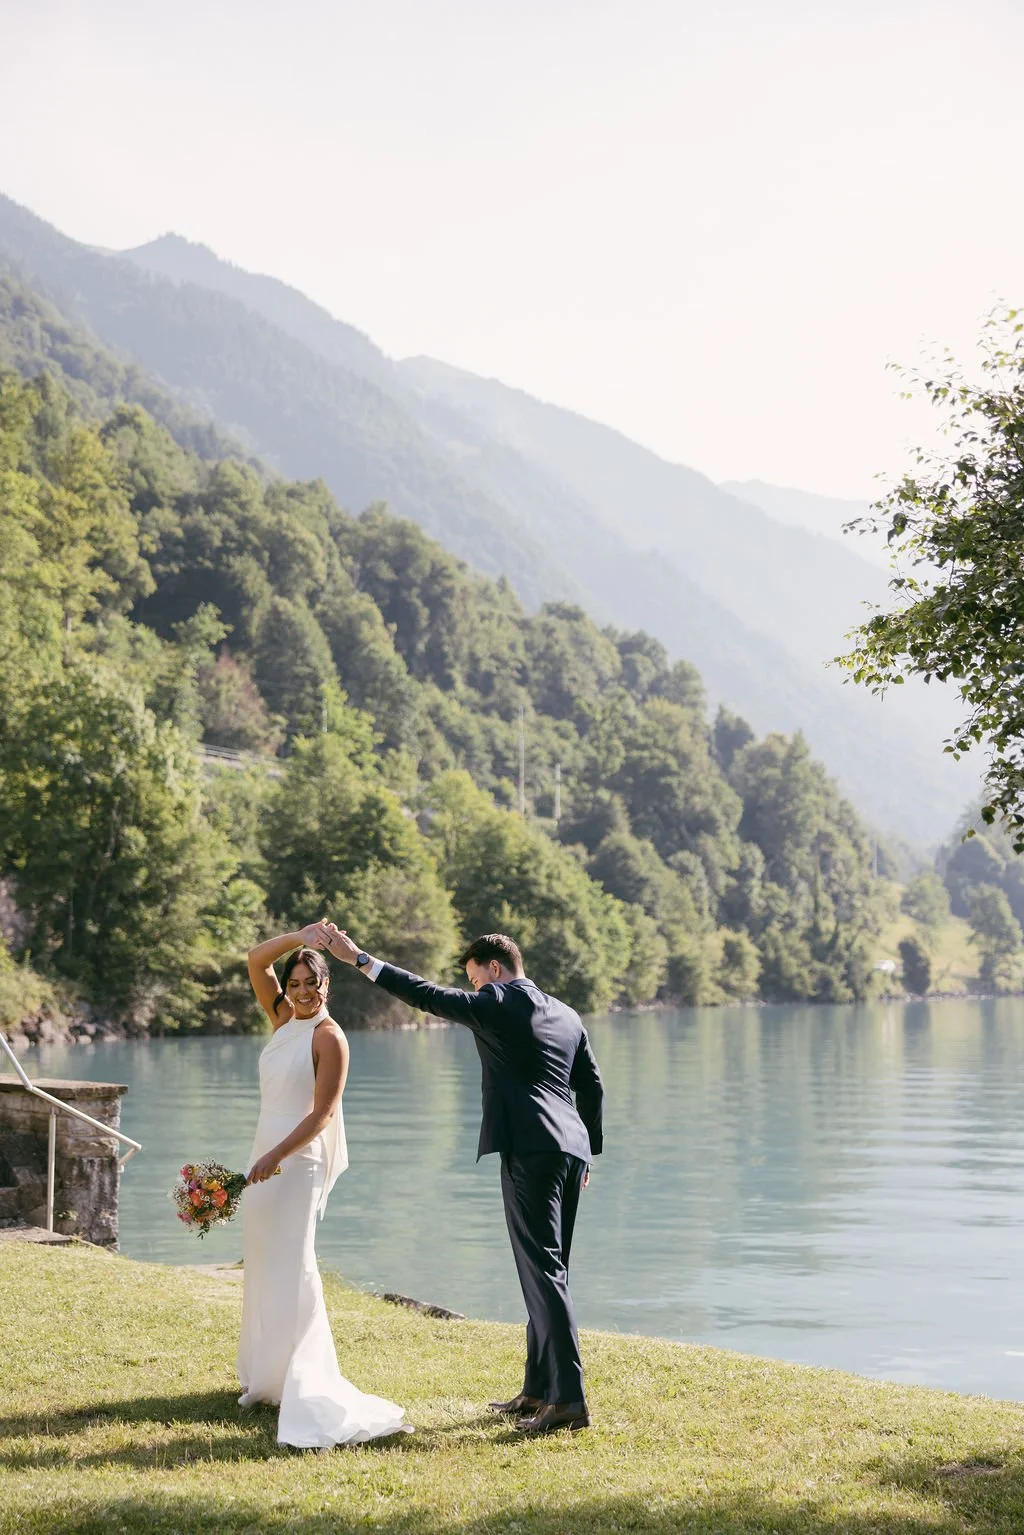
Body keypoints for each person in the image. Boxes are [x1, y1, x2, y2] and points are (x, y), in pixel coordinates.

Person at [324, 925, 604, 1434]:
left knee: (542, 1271)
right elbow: (592, 1085)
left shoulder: (495, 1001)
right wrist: (588, 1153)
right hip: (570, 1151)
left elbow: (426, 996)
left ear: (494, 970)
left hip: (530, 1147)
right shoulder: (565, 1013)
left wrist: (361, 960)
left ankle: (569, 1400)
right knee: (549, 1269)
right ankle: (538, 1389)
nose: (474, 990)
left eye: (475, 980)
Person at [238, 922, 412, 1449]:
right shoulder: (281, 1019)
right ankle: (267, 1377)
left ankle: (308, 1383)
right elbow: (254, 958)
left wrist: (276, 1155)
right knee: (263, 1255)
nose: (301, 992)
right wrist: (303, 935)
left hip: (297, 1157)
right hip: (263, 1150)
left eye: (310, 984)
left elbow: (322, 1114)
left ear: (326, 986)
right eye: (294, 985)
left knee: (295, 1262)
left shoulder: (328, 1036)